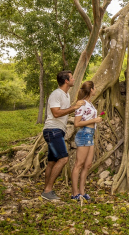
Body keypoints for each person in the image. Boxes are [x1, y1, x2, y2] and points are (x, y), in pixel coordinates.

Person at [41, 70, 85, 201]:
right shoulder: (56, 94)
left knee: (51, 162)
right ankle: (48, 190)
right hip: (52, 130)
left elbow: (66, 110)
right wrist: (74, 107)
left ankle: (46, 190)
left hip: (57, 130)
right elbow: (56, 113)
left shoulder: (66, 95)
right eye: (71, 78)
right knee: (63, 159)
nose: (73, 79)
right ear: (66, 81)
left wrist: (76, 105)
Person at [71, 81, 102, 202]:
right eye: (95, 88)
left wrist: (95, 120)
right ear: (91, 90)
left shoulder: (89, 103)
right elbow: (76, 123)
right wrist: (94, 120)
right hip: (84, 134)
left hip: (90, 135)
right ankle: (75, 193)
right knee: (78, 165)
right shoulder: (82, 103)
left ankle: (82, 192)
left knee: (87, 165)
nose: (96, 89)